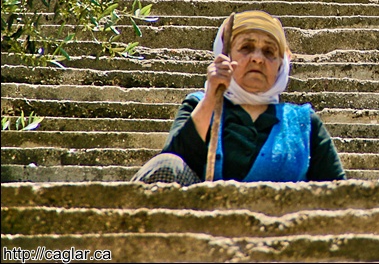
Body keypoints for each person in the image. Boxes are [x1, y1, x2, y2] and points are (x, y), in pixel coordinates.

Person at [132, 10, 346, 184]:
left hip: (285, 230)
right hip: (206, 226)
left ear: (281, 65)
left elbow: (339, 192)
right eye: (246, 48)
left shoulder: (304, 123)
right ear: (225, 55)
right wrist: (212, 97)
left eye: (269, 52)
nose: (258, 59)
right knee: (166, 165)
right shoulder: (199, 105)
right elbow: (172, 167)